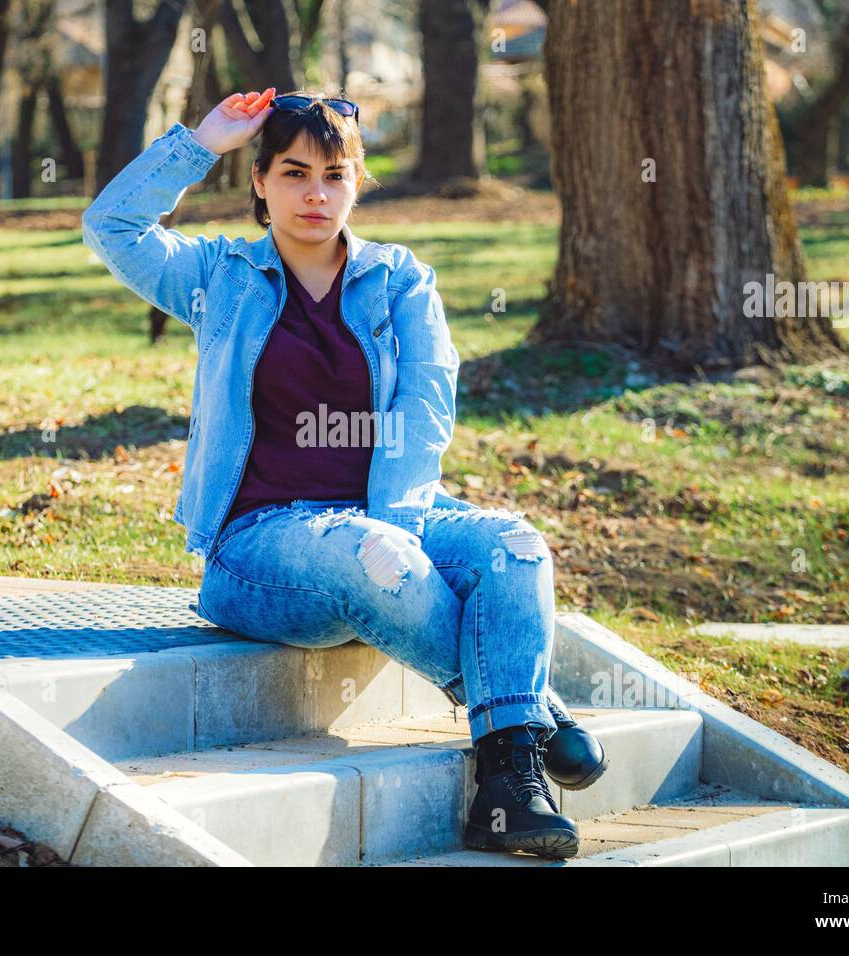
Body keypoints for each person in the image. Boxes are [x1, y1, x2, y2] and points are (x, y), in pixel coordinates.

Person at [82, 88, 607, 859]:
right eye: (294, 173)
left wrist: (398, 538)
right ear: (258, 181)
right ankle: (532, 722)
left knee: (516, 548)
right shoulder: (219, 277)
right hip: (259, 546)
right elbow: (112, 226)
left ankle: (507, 787)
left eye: (335, 174)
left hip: (386, 515)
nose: (316, 194)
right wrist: (202, 141)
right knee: (379, 556)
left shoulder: (401, 282)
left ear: (358, 182)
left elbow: (425, 407)